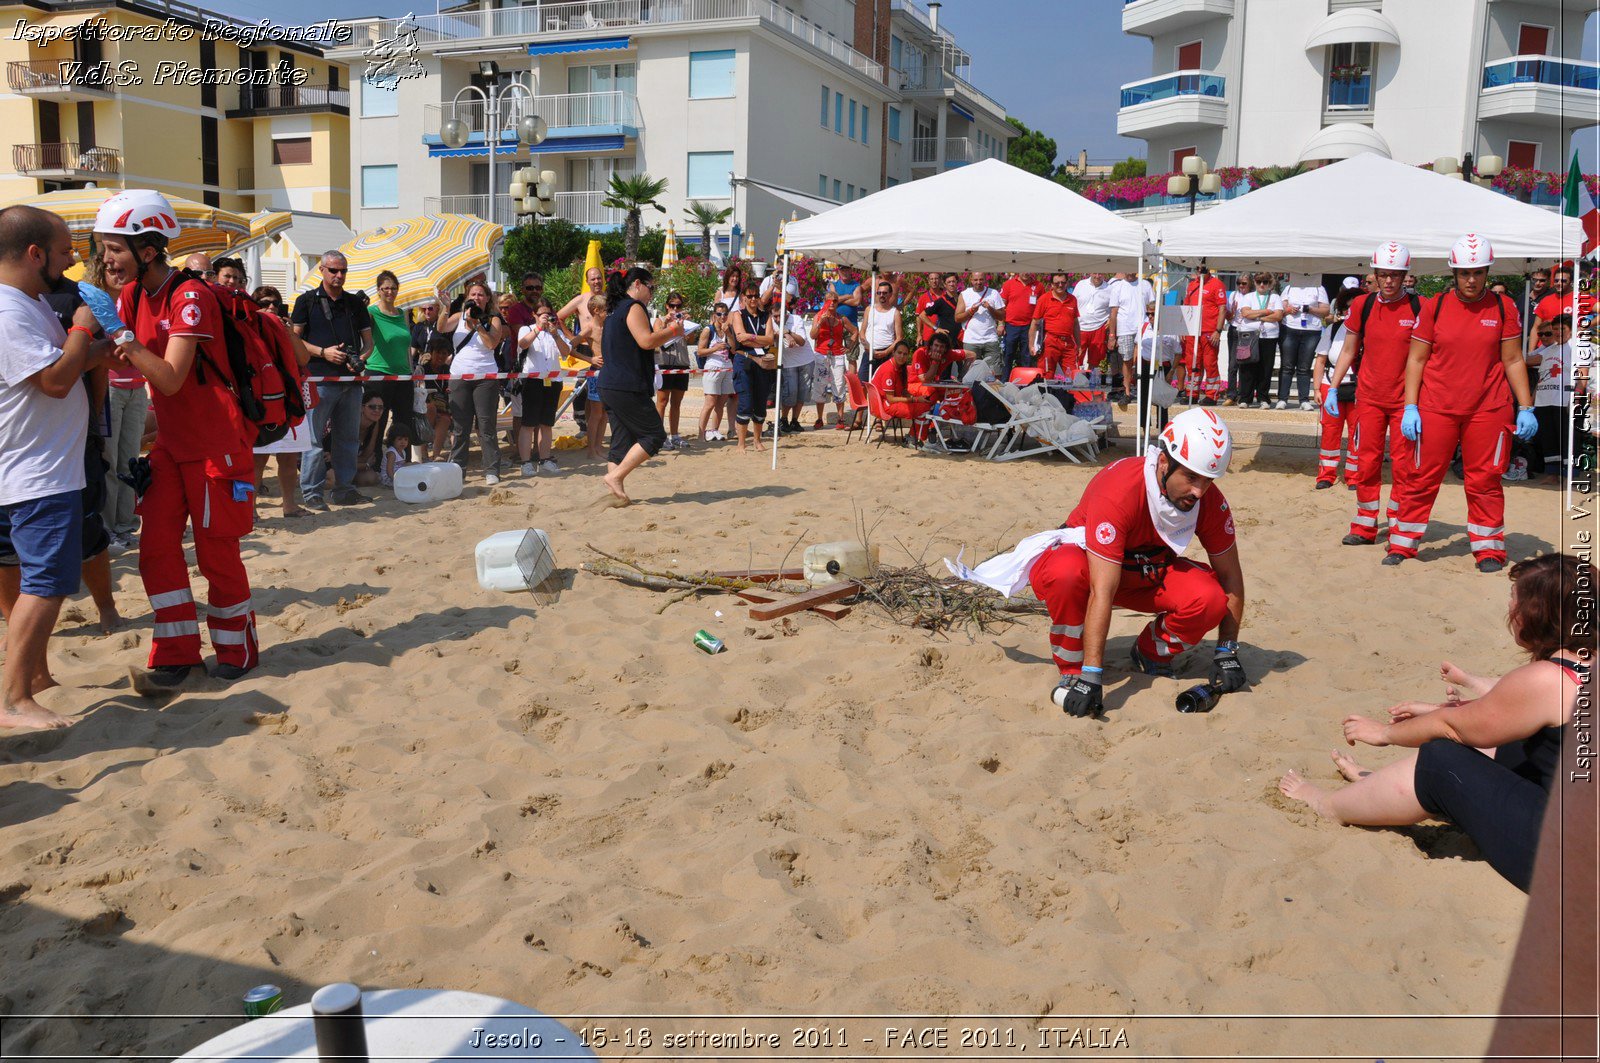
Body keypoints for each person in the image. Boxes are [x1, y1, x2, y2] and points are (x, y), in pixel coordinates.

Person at [1278, 553, 1592, 892]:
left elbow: (1453, 727)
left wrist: (1385, 733)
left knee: (1440, 760)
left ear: (1534, 615)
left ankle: (1330, 805)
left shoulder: (1548, 679)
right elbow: (1513, 711)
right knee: (1513, 741)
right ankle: (1373, 788)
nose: (1510, 612)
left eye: (1514, 602)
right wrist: (1434, 709)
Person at [99, 190, 260, 695]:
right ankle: (176, 653)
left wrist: (121, 340)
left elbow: (168, 378)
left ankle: (237, 650)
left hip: (217, 444)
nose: (106, 259)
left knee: (216, 557)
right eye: (103, 247)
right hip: (172, 444)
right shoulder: (130, 297)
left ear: (148, 250)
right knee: (156, 550)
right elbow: (121, 357)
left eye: (115, 249)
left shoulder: (190, 296)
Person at [1016, 408, 1247, 718]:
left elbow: (1231, 576)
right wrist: (1091, 676)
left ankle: (1150, 653)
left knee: (1210, 597)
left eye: (1207, 480)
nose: (1198, 491)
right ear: (1164, 462)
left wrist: (1227, 651)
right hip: (1090, 569)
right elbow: (1102, 590)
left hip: (1143, 572)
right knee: (1066, 573)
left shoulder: (1207, 500)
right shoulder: (1121, 490)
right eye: (1191, 477)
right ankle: (1071, 668)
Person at [0, 205, 106, 729]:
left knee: (18, 575)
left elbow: (54, 364)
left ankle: (32, 680)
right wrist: (84, 330)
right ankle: (15, 697)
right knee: (47, 582)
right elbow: (56, 381)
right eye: (65, 252)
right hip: (38, 471)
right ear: (34, 253)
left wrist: (101, 348)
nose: (71, 264)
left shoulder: (27, 301)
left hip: (27, 467)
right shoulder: (10, 311)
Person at [1392, 235, 1538, 572]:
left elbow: (1513, 359)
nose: (1470, 280)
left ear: (1487, 272)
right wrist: (1410, 406)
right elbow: (1416, 359)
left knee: (1485, 479)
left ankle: (1488, 549)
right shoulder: (1435, 306)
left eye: (1477, 272)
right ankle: (1403, 543)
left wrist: (1526, 406)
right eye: (1463, 273)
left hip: (1488, 408)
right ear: (1453, 273)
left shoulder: (1504, 307)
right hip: (1436, 406)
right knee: (1420, 477)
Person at [1323, 242, 1421, 546]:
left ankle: (1396, 522)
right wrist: (1334, 387)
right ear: (1375, 274)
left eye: (1395, 275)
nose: (1389, 281)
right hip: (1368, 398)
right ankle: (1365, 525)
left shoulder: (1420, 307)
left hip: (1405, 402)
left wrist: (1416, 404)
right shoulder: (1363, 305)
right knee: (1366, 463)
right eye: (1383, 275)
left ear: (1405, 275)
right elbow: (1349, 349)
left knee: (1404, 467)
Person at [290, 250, 372, 509]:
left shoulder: (355, 303)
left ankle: (344, 490)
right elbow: (293, 339)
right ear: (322, 270)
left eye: (343, 271)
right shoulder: (306, 301)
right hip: (319, 380)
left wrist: (359, 358)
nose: (339, 276)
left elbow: (369, 343)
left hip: (351, 381)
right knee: (313, 440)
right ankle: (312, 494)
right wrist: (323, 352)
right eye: (334, 270)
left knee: (348, 438)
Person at [597, 267, 682, 505]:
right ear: (637, 284)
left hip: (611, 383)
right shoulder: (633, 307)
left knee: (621, 442)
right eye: (651, 287)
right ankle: (615, 477)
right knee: (654, 435)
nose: (652, 294)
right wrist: (672, 331)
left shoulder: (614, 309)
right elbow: (646, 342)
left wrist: (663, 330)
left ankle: (616, 496)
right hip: (625, 384)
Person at [436, 279, 507, 485]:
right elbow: (441, 328)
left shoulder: (493, 319)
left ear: (487, 299)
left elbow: (491, 344)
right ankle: (458, 468)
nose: (476, 298)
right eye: (473, 295)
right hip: (460, 376)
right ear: (467, 298)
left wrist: (477, 324)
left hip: (485, 377)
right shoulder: (458, 317)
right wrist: (445, 308)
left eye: (480, 295)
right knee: (460, 426)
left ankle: (491, 469)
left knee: (486, 425)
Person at [1310, 286, 1361, 489]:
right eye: (1347, 308)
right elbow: (1321, 360)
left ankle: (1354, 477)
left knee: (1358, 435)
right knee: (1330, 433)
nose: (1351, 312)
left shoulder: (1369, 331)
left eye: (1356, 308)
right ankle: (1326, 475)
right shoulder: (1332, 330)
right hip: (1330, 387)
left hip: (1359, 389)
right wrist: (1316, 390)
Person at [515, 299, 569, 476]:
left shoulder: (556, 331)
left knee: (547, 423)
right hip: (533, 380)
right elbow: (523, 344)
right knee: (528, 423)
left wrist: (555, 334)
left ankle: (545, 459)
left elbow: (566, 353)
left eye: (549, 314)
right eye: (541, 314)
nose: (546, 318)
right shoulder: (526, 329)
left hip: (552, 380)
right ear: (534, 315)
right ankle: (525, 462)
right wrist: (538, 327)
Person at [365, 269, 415, 450]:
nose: (390, 292)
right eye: (385, 288)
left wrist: (411, 371)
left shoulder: (403, 313)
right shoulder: (371, 312)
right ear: (378, 290)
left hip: (403, 375)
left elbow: (406, 346)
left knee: (404, 422)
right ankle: (375, 461)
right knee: (378, 420)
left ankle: (403, 462)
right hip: (379, 373)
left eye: (393, 288)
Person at [1524, 314, 1573, 482]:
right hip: (1545, 399)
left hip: (1564, 399)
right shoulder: (1547, 351)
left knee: (1566, 438)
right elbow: (1539, 373)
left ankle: (1569, 474)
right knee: (1548, 438)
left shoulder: (1576, 348)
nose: (1558, 332)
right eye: (1555, 329)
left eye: (1562, 329)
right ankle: (1552, 473)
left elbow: (1582, 375)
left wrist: (1577, 397)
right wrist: (1532, 398)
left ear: (1571, 330)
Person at [731, 284, 778, 453]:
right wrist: (757, 338)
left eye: (755, 296)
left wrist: (751, 337)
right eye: (749, 296)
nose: (752, 299)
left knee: (760, 402)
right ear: (743, 297)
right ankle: (741, 443)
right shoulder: (738, 315)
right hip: (744, 360)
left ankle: (757, 441)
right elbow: (741, 338)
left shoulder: (766, 316)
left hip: (762, 361)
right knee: (745, 402)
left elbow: (770, 340)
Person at [1275, 273, 1328, 410]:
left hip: (1311, 330)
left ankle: (1304, 400)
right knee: (1287, 366)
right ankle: (1282, 398)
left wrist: (1310, 309)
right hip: (1290, 328)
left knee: (1304, 367)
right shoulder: (1289, 288)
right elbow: (1280, 310)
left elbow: (1325, 310)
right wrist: (1289, 310)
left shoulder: (1318, 288)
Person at [1177, 266, 1227, 405]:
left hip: (1209, 332)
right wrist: (1183, 329)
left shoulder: (1217, 284)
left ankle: (1212, 395)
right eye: (1198, 269)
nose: (1200, 271)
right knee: (1192, 363)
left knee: (1210, 363)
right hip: (1192, 332)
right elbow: (1186, 308)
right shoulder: (1192, 285)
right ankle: (1192, 393)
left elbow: (1222, 308)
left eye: (1203, 269)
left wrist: (1218, 330)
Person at [652, 290, 694, 450]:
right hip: (664, 362)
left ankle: (674, 435)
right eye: (672, 306)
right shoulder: (660, 320)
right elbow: (655, 336)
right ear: (666, 306)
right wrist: (667, 322)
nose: (675, 309)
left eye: (678, 306)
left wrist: (687, 325)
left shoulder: (683, 320)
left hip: (681, 362)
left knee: (677, 402)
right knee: (662, 401)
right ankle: (659, 435)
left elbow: (690, 339)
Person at [1234, 274, 1282, 409]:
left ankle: (1263, 398)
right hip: (1249, 334)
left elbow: (1278, 316)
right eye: (1259, 282)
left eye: (1265, 282)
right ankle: (1245, 398)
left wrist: (1256, 317)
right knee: (1247, 366)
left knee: (1266, 368)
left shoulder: (1275, 297)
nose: (1262, 285)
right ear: (1254, 283)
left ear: (1270, 283)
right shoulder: (1248, 296)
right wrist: (1266, 312)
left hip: (1269, 336)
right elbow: (1245, 313)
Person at [869, 339, 932, 443]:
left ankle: (917, 437)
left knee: (926, 404)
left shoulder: (901, 368)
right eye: (899, 353)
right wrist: (915, 399)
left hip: (891, 402)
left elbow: (903, 391)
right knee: (924, 409)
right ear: (893, 352)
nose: (902, 356)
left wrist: (914, 398)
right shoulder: (888, 370)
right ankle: (915, 438)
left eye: (905, 354)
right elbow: (891, 398)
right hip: (885, 405)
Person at [1106, 271, 1152, 404]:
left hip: (1143, 327)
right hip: (1125, 328)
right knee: (1127, 360)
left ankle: (1141, 390)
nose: (1130, 273)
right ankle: (1126, 392)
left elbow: (1152, 306)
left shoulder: (1145, 285)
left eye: (1133, 270)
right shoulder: (1117, 287)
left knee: (1142, 359)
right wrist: (1112, 336)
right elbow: (1113, 314)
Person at [810, 301, 858, 429]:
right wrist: (820, 323)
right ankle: (819, 418)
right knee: (820, 386)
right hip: (822, 354)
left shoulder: (841, 318)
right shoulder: (818, 316)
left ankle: (840, 419)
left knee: (839, 385)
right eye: (829, 300)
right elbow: (812, 335)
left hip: (837, 355)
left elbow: (855, 331)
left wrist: (848, 347)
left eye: (835, 301)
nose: (832, 303)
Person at [774, 300, 815, 434]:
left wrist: (789, 332)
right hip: (788, 362)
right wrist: (785, 334)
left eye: (780, 315)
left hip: (805, 360)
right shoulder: (772, 323)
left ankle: (795, 420)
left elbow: (802, 341)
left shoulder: (796, 319)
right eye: (775, 316)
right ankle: (784, 419)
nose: (778, 319)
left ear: (786, 313)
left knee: (802, 392)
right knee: (790, 393)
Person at [1029, 274, 1080, 380]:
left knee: (1073, 376)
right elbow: (1034, 323)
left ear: (1067, 283)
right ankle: (1045, 396)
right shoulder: (1044, 299)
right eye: (1057, 283)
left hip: (1068, 342)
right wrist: (1031, 345)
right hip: (1050, 341)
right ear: (1052, 284)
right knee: (1046, 375)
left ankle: (1070, 396)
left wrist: (1079, 345)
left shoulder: (1073, 299)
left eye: (1063, 282)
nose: (1060, 285)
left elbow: (1075, 324)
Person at [957, 271, 1006, 379]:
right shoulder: (965, 294)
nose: (978, 282)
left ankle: (993, 395)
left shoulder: (993, 293)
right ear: (971, 280)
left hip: (990, 339)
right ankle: (972, 396)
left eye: (981, 279)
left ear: (985, 280)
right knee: (970, 375)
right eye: (975, 280)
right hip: (971, 340)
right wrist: (970, 311)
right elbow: (957, 317)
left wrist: (990, 308)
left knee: (995, 374)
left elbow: (1002, 316)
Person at [697, 302, 736, 440]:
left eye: (725, 314)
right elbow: (700, 351)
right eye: (719, 314)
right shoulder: (708, 330)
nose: (722, 316)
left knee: (721, 402)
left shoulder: (728, 329)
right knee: (710, 402)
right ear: (714, 315)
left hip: (727, 367)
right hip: (712, 367)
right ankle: (701, 434)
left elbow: (734, 349)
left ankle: (714, 430)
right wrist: (715, 348)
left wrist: (728, 334)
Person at [417, 331, 454, 462]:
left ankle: (436, 454)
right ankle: (424, 452)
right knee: (431, 408)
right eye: (438, 352)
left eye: (444, 353)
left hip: (443, 407)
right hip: (423, 407)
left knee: (445, 419)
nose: (441, 356)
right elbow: (418, 390)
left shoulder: (447, 370)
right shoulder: (422, 369)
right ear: (431, 353)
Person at [1071, 273, 1113, 382]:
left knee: (1095, 360)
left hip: (1099, 327)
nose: (1097, 276)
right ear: (1091, 273)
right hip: (1080, 327)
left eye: (1100, 273)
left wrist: (1110, 319)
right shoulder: (1081, 284)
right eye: (1095, 273)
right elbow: (1073, 302)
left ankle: (1091, 382)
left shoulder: (1110, 288)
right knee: (1077, 356)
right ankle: (1076, 382)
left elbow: (1113, 308)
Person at [1000, 272, 1042, 376]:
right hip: (1011, 325)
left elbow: (1041, 307)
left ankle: (1025, 383)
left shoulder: (1038, 286)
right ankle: (1005, 382)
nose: (1026, 272)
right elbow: (1001, 306)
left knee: (1027, 357)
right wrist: (1001, 324)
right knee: (1008, 355)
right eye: (1024, 270)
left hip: (1029, 327)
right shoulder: (1008, 284)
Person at [859, 279, 901, 380]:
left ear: (890, 294)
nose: (882, 295)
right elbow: (862, 332)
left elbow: (899, 338)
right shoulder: (869, 309)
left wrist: (886, 352)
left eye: (885, 293)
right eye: (879, 293)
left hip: (886, 353)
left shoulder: (895, 313)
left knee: (884, 382)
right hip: (869, 352)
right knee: (863, 380)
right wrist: (869, 348)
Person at [917, 273, 962, 346]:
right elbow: (922, 315)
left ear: (957, 282)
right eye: (949, 282)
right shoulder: (941, 301)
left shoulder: (964, 297)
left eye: (953, 281)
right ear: (944, 284)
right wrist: (936, 328)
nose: (951, 284)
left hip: (963, 339)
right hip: (947, 341)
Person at [354, 393, 385, 487]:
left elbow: (368, 455)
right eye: (372, 407)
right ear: (361, 408)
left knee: (370, 478)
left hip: (351, 464)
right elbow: (343, 460)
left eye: (381, 407)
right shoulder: (351, 423)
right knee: (333, 480)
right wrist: (365, 465)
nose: (377, 410)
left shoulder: (375, 423)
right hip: (331, 463)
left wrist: (361, 461)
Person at [380, 421, 410, 488]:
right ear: (393, 440)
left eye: (406, 439)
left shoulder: (403, 451)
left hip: (397, 474)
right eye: (400, 439)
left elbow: (402, 465)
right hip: (389, 478)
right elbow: (389, 471)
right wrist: (396, 481)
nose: (403, 442)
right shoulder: (392, 453)